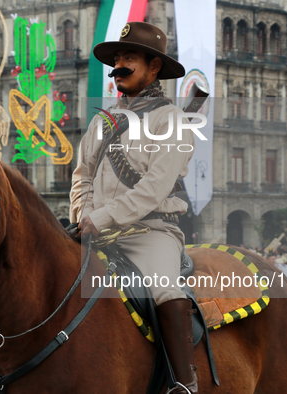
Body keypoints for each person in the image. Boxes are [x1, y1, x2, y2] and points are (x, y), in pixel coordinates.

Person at [70, 22, 196, 393]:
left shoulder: (170, 119)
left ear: (154, 67)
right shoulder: (101, 121)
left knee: (164, 289)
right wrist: (82, 216)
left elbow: (154, 188)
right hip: (95, 231)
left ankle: (184, 383)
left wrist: (101, 217)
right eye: (117, 58)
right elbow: (81, 177)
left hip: (150, 232)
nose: (119, 65)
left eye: (129, 58)